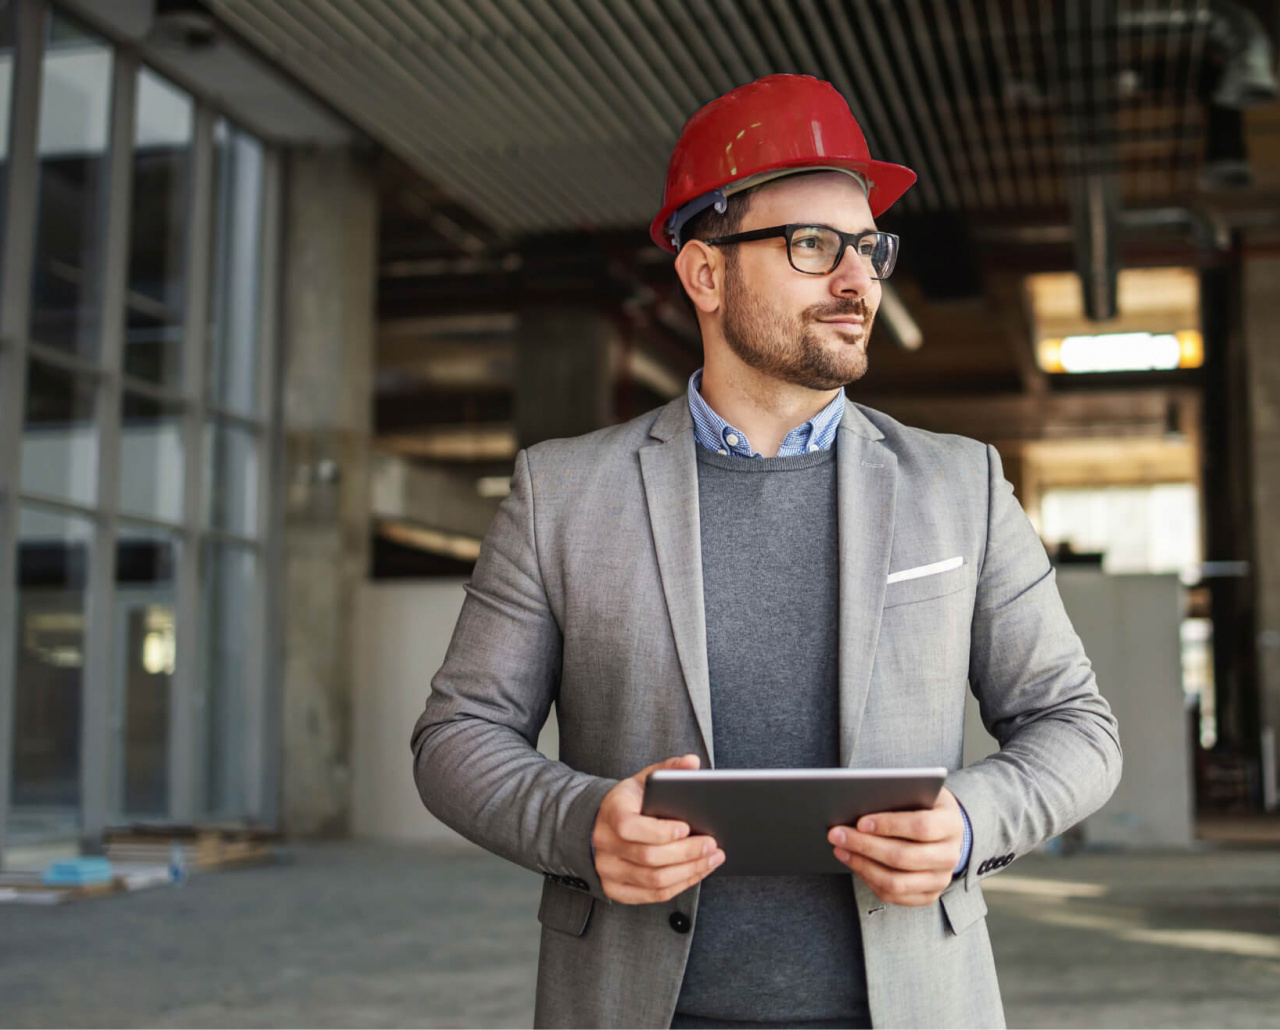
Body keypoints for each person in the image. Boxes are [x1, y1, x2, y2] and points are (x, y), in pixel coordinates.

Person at [411, 73, 1121, 1030]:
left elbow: (1077, 726)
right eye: (813, 245)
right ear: (705, 274)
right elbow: (457, 737)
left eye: (869, 248)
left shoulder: (960, 486)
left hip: (909, 1006)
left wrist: (968, 825)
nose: (856, 280)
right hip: (639, 1007)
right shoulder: (564, 494)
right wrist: (580, 826)